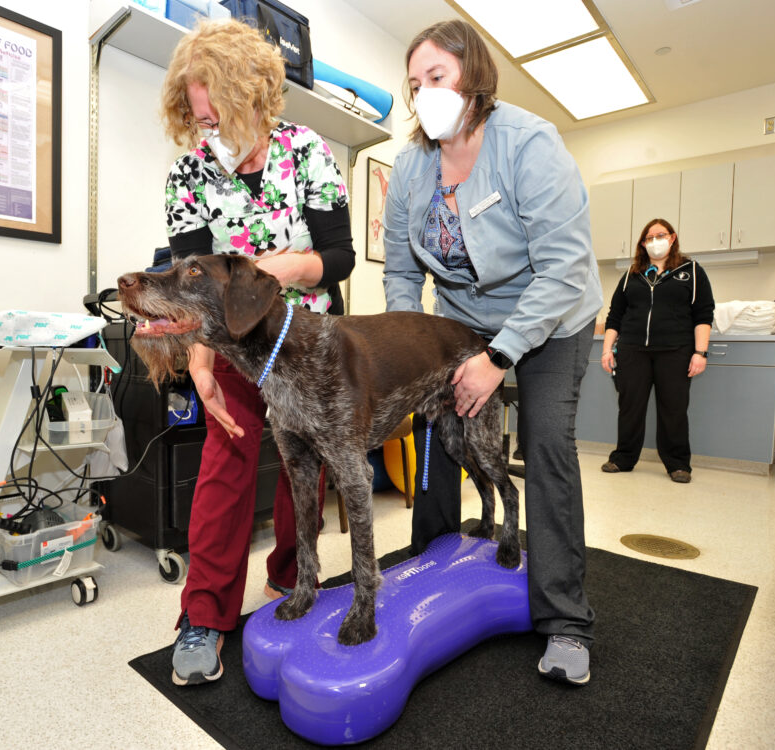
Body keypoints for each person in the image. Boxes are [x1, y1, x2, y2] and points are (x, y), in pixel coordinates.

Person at [383, 19, 602, 686]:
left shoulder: (530, 145)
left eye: (437, 79)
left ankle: (566, 621)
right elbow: (399, 271)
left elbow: (562, 269)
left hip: (553, 316)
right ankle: (425, 565)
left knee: (545, 445)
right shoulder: (411, 168)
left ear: (473, 79)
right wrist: (414, 349)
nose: (424, 95)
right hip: (461, 321)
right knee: (441, 431)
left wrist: (499, 357)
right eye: (415, 84)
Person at [159, 19, 354, 685]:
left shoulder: (307, 152)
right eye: (198, 114)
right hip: (234, 347)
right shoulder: (188, 174)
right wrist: (202, 358)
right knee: (225, 461)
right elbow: (190, 288)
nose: (207, 126)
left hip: (305, 341)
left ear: (249, 94)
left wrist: (290, 269)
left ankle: (292, 578)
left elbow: (339, 256)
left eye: (216, 110)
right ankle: (206, 614)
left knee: (307, 464)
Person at [600, 218, 715, 482]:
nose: (654, 241)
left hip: (675, 350)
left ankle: (678, 464)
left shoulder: (692, 271)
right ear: (642, 243)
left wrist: (700, 353)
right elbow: (615, 315)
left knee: (673, 408)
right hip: (632, 350)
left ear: (672, 238)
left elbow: (703, 315)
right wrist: (607, 350)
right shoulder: (632, 275)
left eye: (660, 235)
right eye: (648, 238)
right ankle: (623, 458)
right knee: (630, 407)